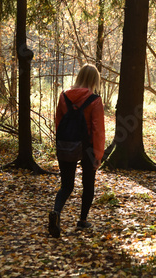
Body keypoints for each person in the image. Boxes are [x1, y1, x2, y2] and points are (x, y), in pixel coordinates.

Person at [49, 64, 105, 237]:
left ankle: (56, 212)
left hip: (66, 143)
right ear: (94, 80)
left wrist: (60, 144)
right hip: (87, 147)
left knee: (67, 185)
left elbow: (58, 122)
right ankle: (82, 220)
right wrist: (98, 154)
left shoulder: (64, 96)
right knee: (88, 184)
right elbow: (98, 130)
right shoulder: (95, 100)